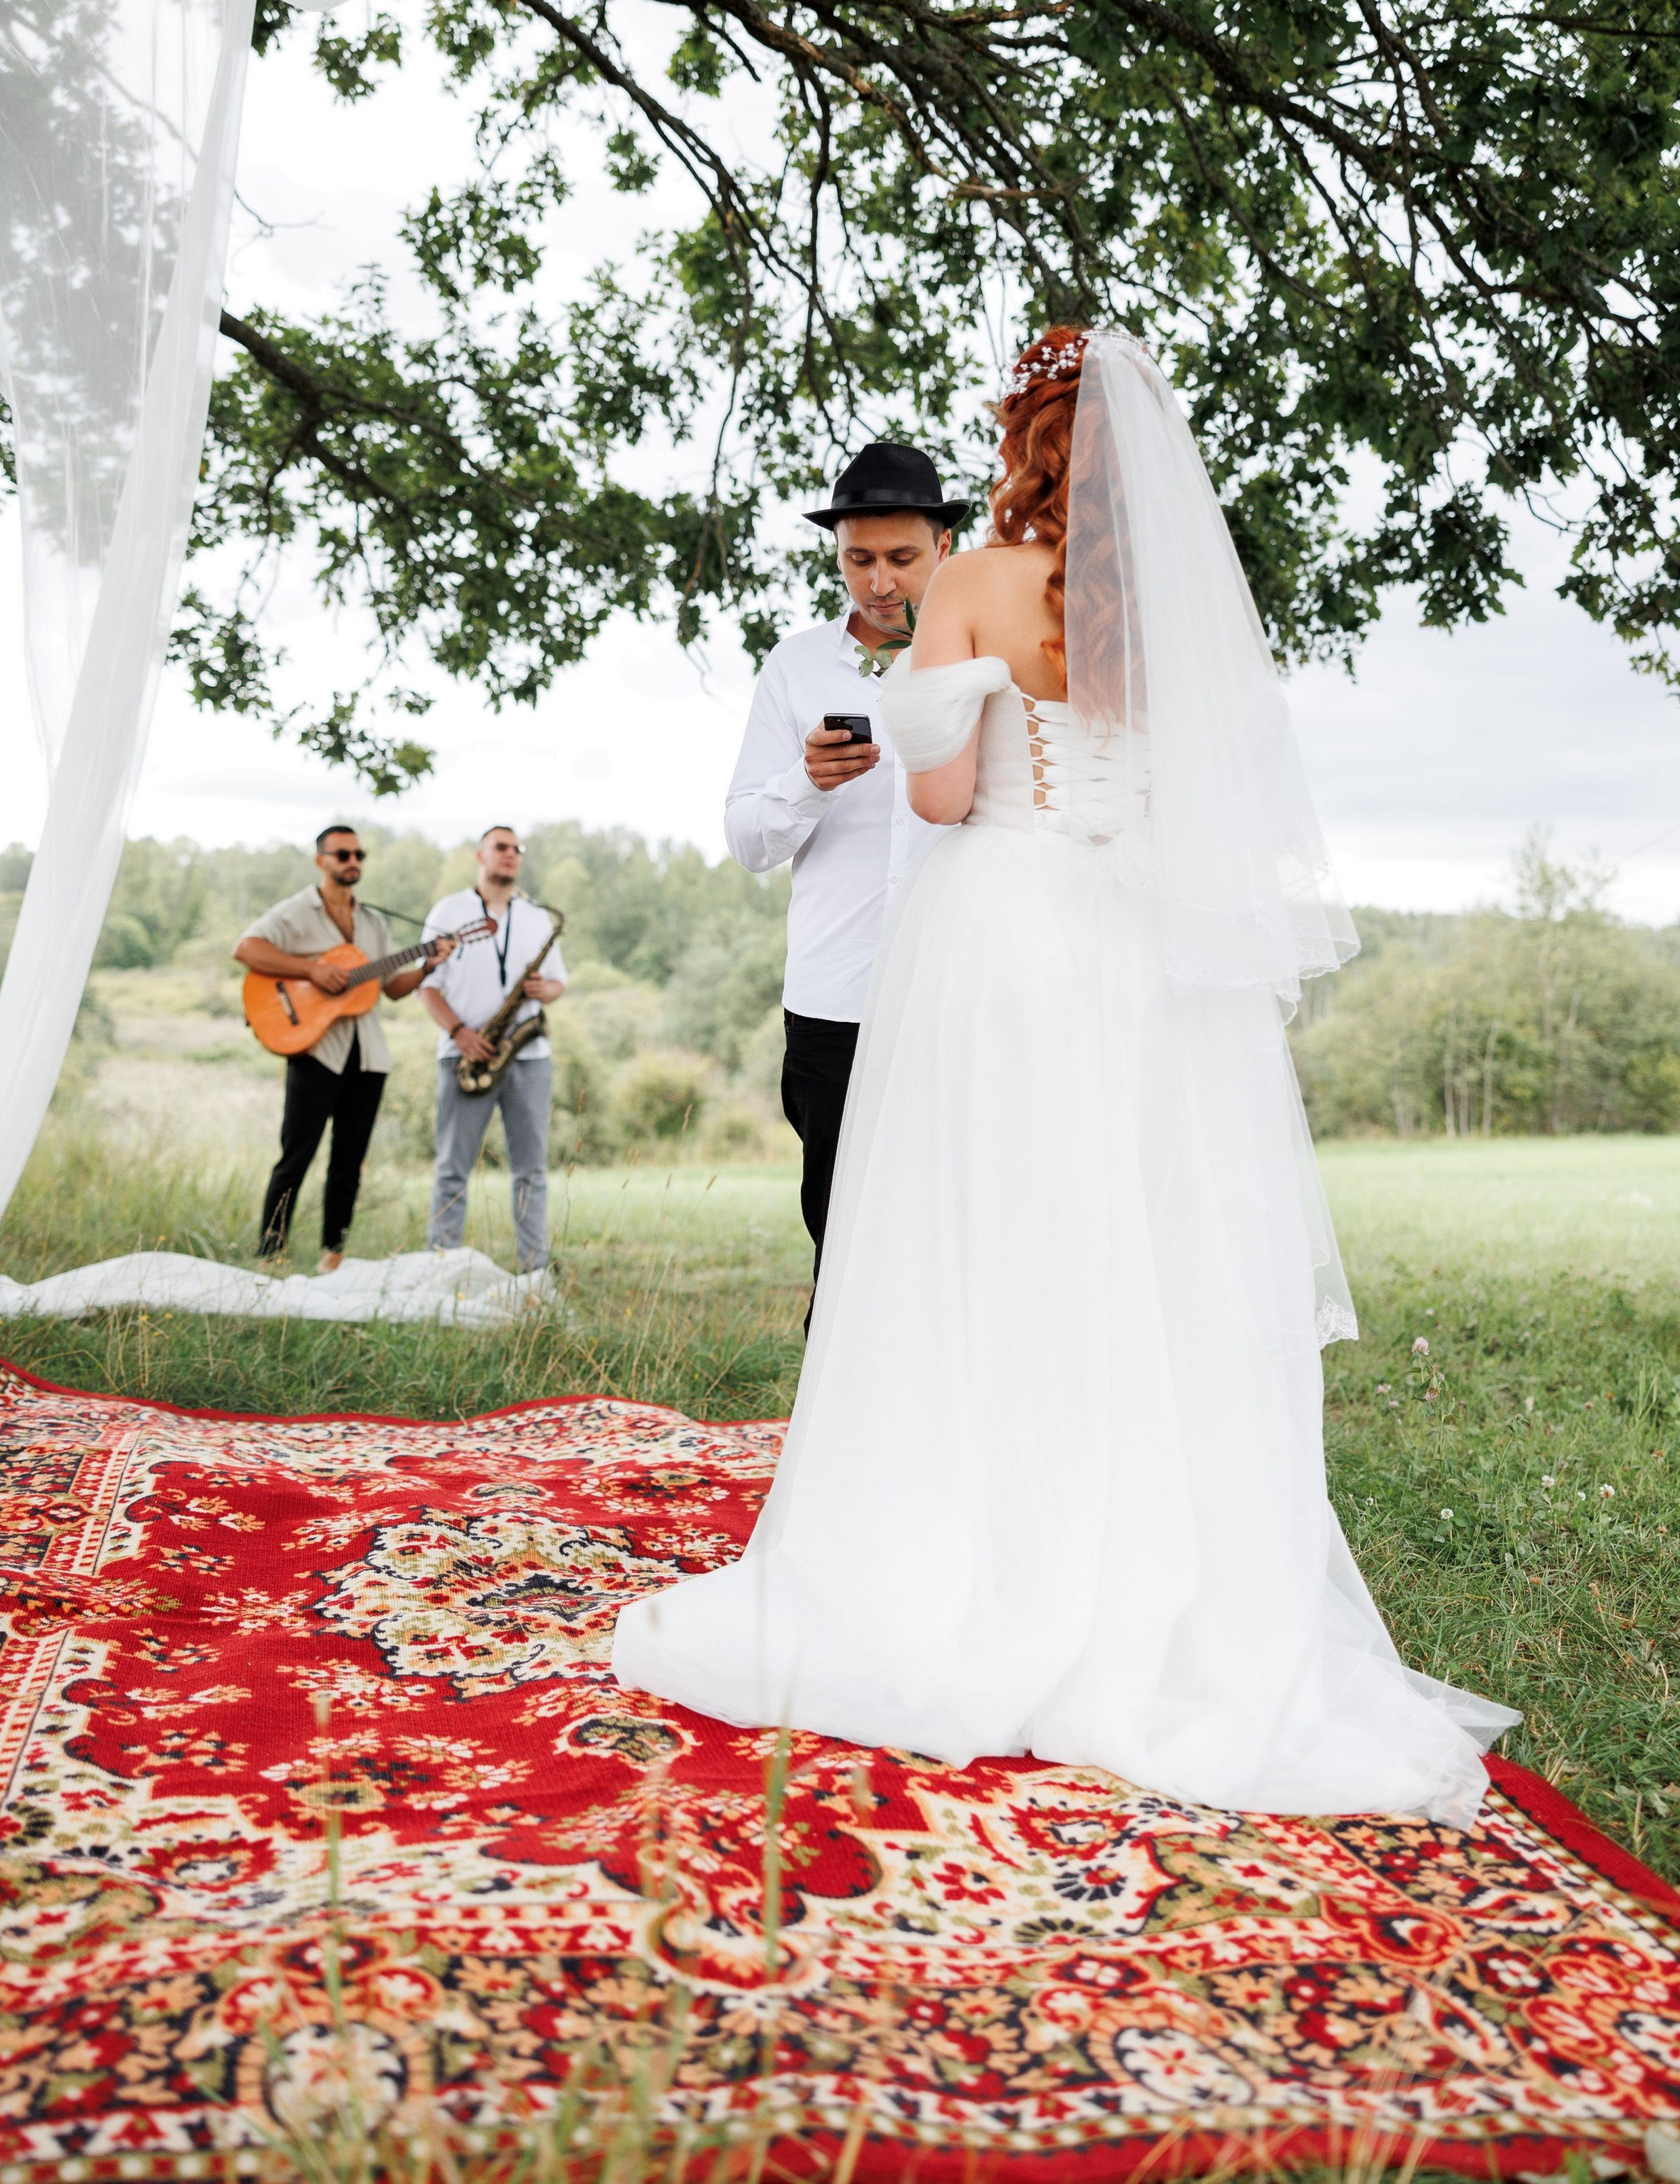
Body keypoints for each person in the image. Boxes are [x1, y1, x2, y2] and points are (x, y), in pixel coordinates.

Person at [614, 328, 1520, 1826]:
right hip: (1146, 956)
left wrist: (922, 730)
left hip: (1006, 941)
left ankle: (968, 1545)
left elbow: (946, 796)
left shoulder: (969, 585)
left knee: (975, 1248)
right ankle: (1148, 1568)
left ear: (1026, 442)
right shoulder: (1170, 616)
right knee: (1141, 1248)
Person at [724, 436, 969, 1304]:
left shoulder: (987, 665)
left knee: (963, 1224)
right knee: (841, 1229)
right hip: (836, 1000)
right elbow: (749, 843)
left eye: (901, 557)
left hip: (965, 990)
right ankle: (845, 1431)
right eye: (857, 558)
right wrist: (806, 781)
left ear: (945, 548)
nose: (879, 581)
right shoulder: (793, 667)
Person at [237, 825, 448, 1270]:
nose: (353, 862)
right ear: (322, 861)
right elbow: (248, 949)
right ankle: (270, 1254)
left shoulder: (373, 922)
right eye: (343, 855)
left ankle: (332, 1255)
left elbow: (391, 988)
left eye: (359, 855)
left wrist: (428, 966)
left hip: (368, 1056)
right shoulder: (296, 912)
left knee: (349, 1163)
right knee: (296, 1157)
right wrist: (311, 973)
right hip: (315, 1051)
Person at [420, 826, 567, 1290]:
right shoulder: (449, 910)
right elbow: (427, 986)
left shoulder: (536, 916)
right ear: (480, 855)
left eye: (517, 849)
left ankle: (534, 1270)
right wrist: (461, 1033)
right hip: (467, 1054)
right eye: (501, 847)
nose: (511, 855)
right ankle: (440, 1266)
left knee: (532, 1169)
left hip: (528, 1055)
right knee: (452, 1167)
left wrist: (548, 990)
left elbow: (558, 982)